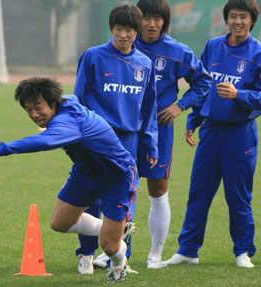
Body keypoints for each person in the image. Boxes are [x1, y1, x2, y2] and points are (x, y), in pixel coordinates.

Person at [0, 77, 139, 282]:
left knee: (110, 246)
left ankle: (118, 263)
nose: (34, 114)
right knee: (60, 223)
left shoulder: (68, 120)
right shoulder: (65, 102)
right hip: (85, 174)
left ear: (53, 102)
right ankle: (119, 228)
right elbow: (72, 97)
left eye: (38, 107)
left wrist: (1, 149)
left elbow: (46, 141)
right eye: (28, 109)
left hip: (116, 176)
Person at [165, 0, 261, 268]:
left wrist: (239, 94)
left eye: (243, 17)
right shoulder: (213, 46)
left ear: (252, 20)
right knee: (199, 192)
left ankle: (243, 251)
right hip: (210, 132)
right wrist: (193, 120)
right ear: (226, 19)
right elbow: (203, 84)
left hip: (240, 134)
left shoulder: (258, 52)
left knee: (238, 196)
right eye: (233, 16)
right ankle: (188, 251)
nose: (237, 21)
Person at [73, 2, 158, 274]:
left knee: (123, 203)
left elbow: (149, 109)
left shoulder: (144, 64)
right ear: (112, 29)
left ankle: (118, 258)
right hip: (96, 138)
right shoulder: (94, 56)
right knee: (92, 199)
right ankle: (86, 255)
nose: (124, 35)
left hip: (129, 142)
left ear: (138, 32)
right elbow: (79, 98)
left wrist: (151, 144)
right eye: (119, 29)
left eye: (130, 30)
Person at [134, 0, 212, 269]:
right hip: (125, 130)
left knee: (157, 191)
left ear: (165, 21)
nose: (151, 24)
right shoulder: (126, 46)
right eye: (146, 18)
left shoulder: (176, 51)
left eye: (157, 19)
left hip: (159, 131)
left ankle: (155, 255)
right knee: (119, 188)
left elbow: (204, 81)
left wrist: (181, 105)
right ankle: (117, 250)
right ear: (137, 18)